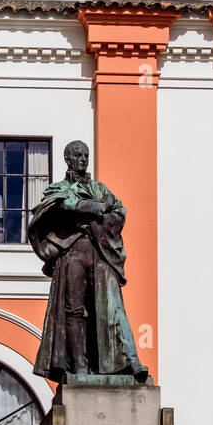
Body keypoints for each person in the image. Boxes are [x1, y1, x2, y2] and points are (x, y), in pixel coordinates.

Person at [28, 140, 149, 382]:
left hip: (100, 251)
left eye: (86, 155)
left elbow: (118, 212)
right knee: (73, 310)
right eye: (78, 155)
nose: (83, 159)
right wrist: (92, 207)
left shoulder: (100, 188)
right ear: (68, 159)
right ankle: (80, 365)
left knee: (111, 307)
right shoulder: (58, 188)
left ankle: (127, 361)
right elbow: (58, 205)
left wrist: (93, 212)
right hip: (72, 252)